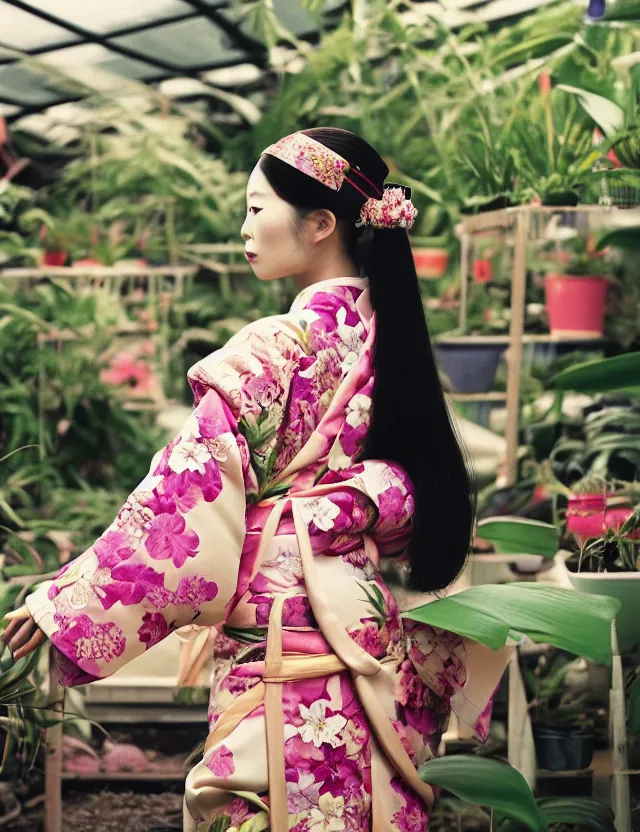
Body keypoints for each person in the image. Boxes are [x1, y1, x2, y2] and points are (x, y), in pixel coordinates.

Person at [2, 128, 509, 831]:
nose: (244, 229)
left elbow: (184, 493)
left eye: (256, 208)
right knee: (357, 796)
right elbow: (410, 492)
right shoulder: (394, 343)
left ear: (322, 223)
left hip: (278, 623)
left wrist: (69, 603)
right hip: (362, 618)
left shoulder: (274, 347)